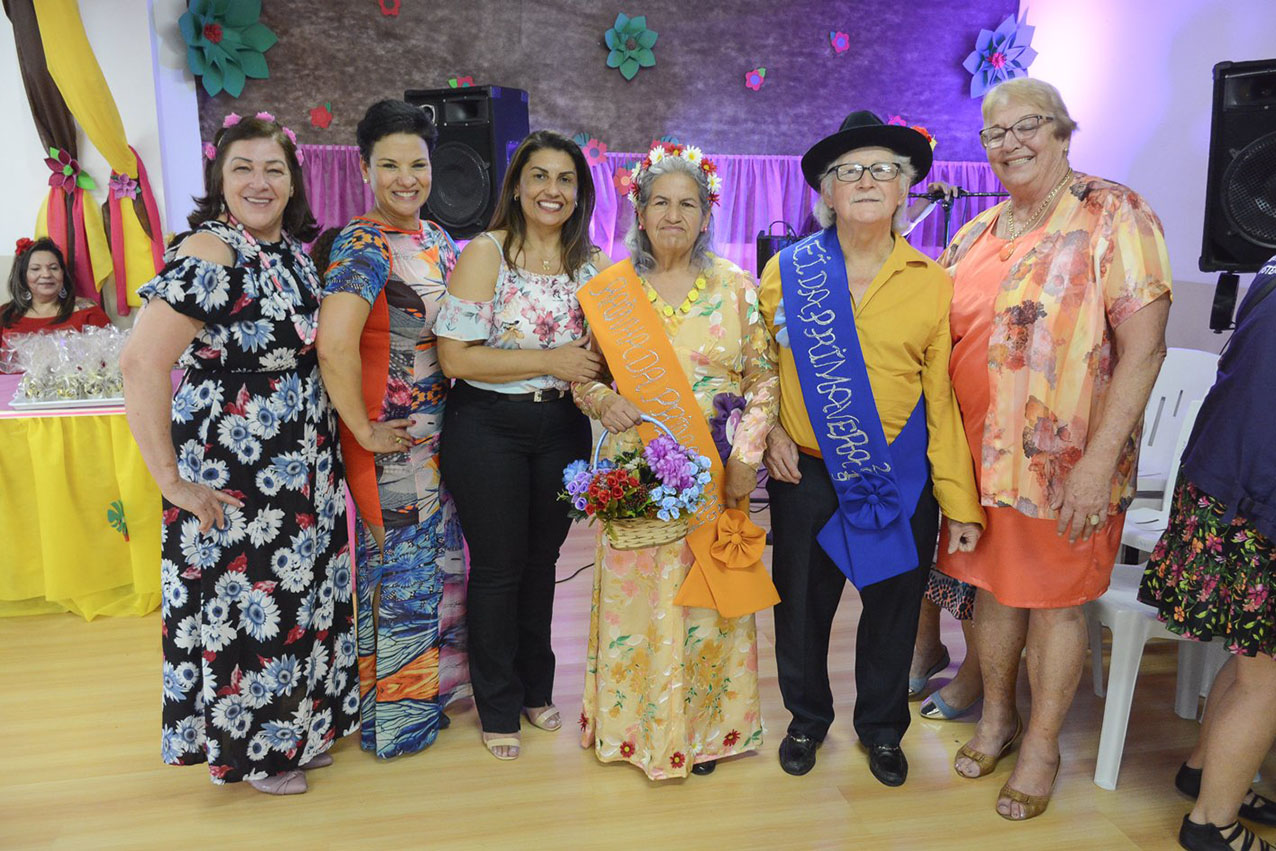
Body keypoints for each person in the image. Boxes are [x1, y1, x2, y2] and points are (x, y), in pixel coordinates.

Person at [936, 77, 1172, 820]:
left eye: (1027, 125)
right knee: (993, 593)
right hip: (976, 463)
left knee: (1056, 606)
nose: (1010, 143)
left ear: (1064, 132)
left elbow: (1145, 348)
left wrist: (1098, 463)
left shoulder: (1115, 213)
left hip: (1065, 466)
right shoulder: (976, 230)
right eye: (994, 133)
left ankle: (1042, 745)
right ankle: (997, 719)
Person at [120, 112, 357, 796]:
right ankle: (255, 752)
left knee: (299, 602)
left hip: (299, 470)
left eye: (274, 168)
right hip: (239, 467)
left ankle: (295, 733)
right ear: (219, 180)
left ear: (294, 181)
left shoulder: (290, 250)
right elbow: (140, 363)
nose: (260, 181)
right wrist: (171, 481)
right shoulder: (213, 249)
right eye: (243, 168)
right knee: (251, 606)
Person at [759, 111, 985, 788]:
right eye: (849, 171)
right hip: (803, 471)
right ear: (826, 191)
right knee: (801, 607)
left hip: (899, 474)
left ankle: (883, 728)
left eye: (883, 169)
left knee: (893, 609)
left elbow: (941, 401)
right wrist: (768, 430)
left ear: (904, 189)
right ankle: (806, 719)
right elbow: (757, 369)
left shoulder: (933, 281)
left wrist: (959, 501)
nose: (865, 181)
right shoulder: (786, 271)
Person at [573, 142, 778, 779]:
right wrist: (603, 400)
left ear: (707, 214)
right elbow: (582, 376)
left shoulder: (736, 287)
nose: (672, 215)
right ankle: (632, 729)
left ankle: (706, 732)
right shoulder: (613, 291)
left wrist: (747, 457)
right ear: (639, 212)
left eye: (687, 204)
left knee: (707, 606)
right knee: (637, 606)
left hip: (713, 474)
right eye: (659, 202)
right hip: (636, 477)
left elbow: (764, 379)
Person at [435, 130, 606, 761]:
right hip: (488, 427)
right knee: (499, 568)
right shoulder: (487, 253)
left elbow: (604, 357)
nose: (551, 190)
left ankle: (536, 688)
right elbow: (455, 358)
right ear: (516, 186)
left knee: (542, 564)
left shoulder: (592, 264)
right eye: (539, 176)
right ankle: (498, 703)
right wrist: (552, 359)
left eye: (565, 179)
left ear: (579, 193)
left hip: (561, 427)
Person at [317, 99, 469, 759]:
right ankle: (397, 725)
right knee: (402, 576)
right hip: (391, 441)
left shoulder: (436, 239)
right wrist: (363, 429)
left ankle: (420, 704)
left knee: (430, 568)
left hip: (439, 438)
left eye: (418, 164)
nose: (406, 178)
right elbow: (333, 345)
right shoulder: (362, 244)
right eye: (389, 165)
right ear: (364, 168)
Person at [1139, 254, 1276, 851]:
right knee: (1267, 676)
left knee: (1254, 659)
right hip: (1257, 495)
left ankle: (1205, 771)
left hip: (1223, 482)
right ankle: (1211, 824)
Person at [1, 236, 110, 357]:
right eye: (35, 269)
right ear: (23, 276)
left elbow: (110, 358)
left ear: (62, 273)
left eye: (53, 268)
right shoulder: (5, 314)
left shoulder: (87, 311)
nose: (46, 274)